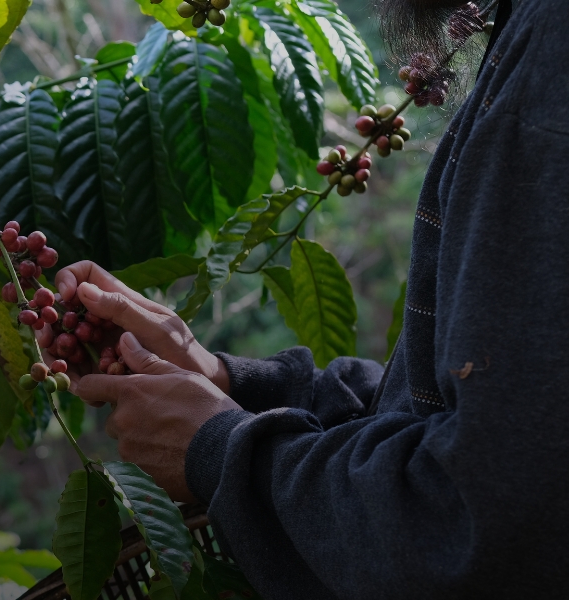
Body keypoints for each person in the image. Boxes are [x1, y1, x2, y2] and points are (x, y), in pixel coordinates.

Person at [54, 0, 569, 597]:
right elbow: (446, 412)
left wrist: (222, 450)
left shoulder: (549, 72)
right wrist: (228, 381)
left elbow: (482, 527)